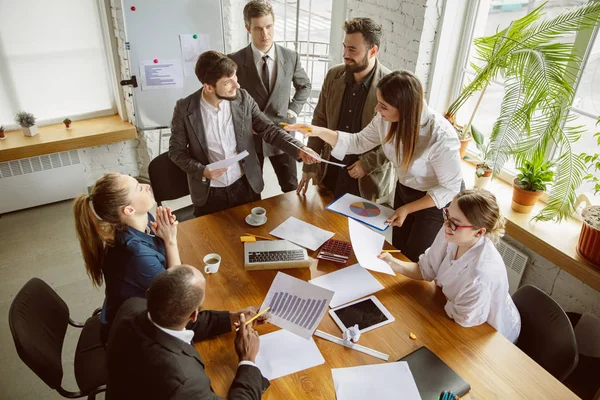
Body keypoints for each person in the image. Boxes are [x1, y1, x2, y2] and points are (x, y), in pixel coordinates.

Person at [285, 70, 463, 261]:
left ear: (405, 109)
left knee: (417, 258)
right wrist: (317, 131)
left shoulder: (441, 137)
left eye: (383, 106)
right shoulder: (385, 119)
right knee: (399, 252)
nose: (377, 109)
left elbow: (450, 188)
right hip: (405, 190)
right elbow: (358, 142)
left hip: (433, 200)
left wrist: (408, 209)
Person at [169, 50, 319, 218]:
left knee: (251, 236)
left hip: (245, 185)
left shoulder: (243, 99)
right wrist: (202, 170)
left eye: (235, 78)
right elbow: (176, 151)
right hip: (209, 192)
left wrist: (299, 148)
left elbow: (269, 129)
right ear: (208, 87)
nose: (237, 85)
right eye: (228, 82)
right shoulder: (184, 109)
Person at [378, 189, 521, 343]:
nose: (446, 224)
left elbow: (463, 318)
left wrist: (445, 297)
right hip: (451, 309)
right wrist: (392, 262)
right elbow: (426, 270)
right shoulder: (451, 230)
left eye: (454, 223)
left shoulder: (480, 274)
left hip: (488, 333)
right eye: (447, 215)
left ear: (479, 232)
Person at [106, 265, 269, 399]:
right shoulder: (185, 382)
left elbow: (176, 318)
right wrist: (247, 360)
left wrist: (231, 317)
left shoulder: (133, 306)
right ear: (194, 315)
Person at [73, 173, 181, 341]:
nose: (147, 185)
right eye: (139, 188)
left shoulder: (144, 221)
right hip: (127, 337)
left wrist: (164, 235)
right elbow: (178, 294)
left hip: (139, 310)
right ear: (129, 210)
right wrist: (171, 241)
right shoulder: (136, 254)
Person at [298, 17, 394, 202]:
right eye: (345, 47)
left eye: (352, 49)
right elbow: (320, 119)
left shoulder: (391, 84)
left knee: (358, 230)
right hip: (330, 169)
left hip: (366, 179)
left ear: (373, 51)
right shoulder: (334, 75)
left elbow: (396, 139)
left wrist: (367, 164)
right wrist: (310, 166)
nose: (345, 54)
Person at [229, 0, 311, 193]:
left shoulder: (291, 57)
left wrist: (293, 110)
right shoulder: (234, 61)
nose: (265, 34)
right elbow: (228, 98)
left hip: (282, 133)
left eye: (269, 27)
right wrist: (243, 122)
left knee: (291, 188)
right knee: (252, 189)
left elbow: (305, 85)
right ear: (247, 28)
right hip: (251, 137)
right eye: (258, 28)